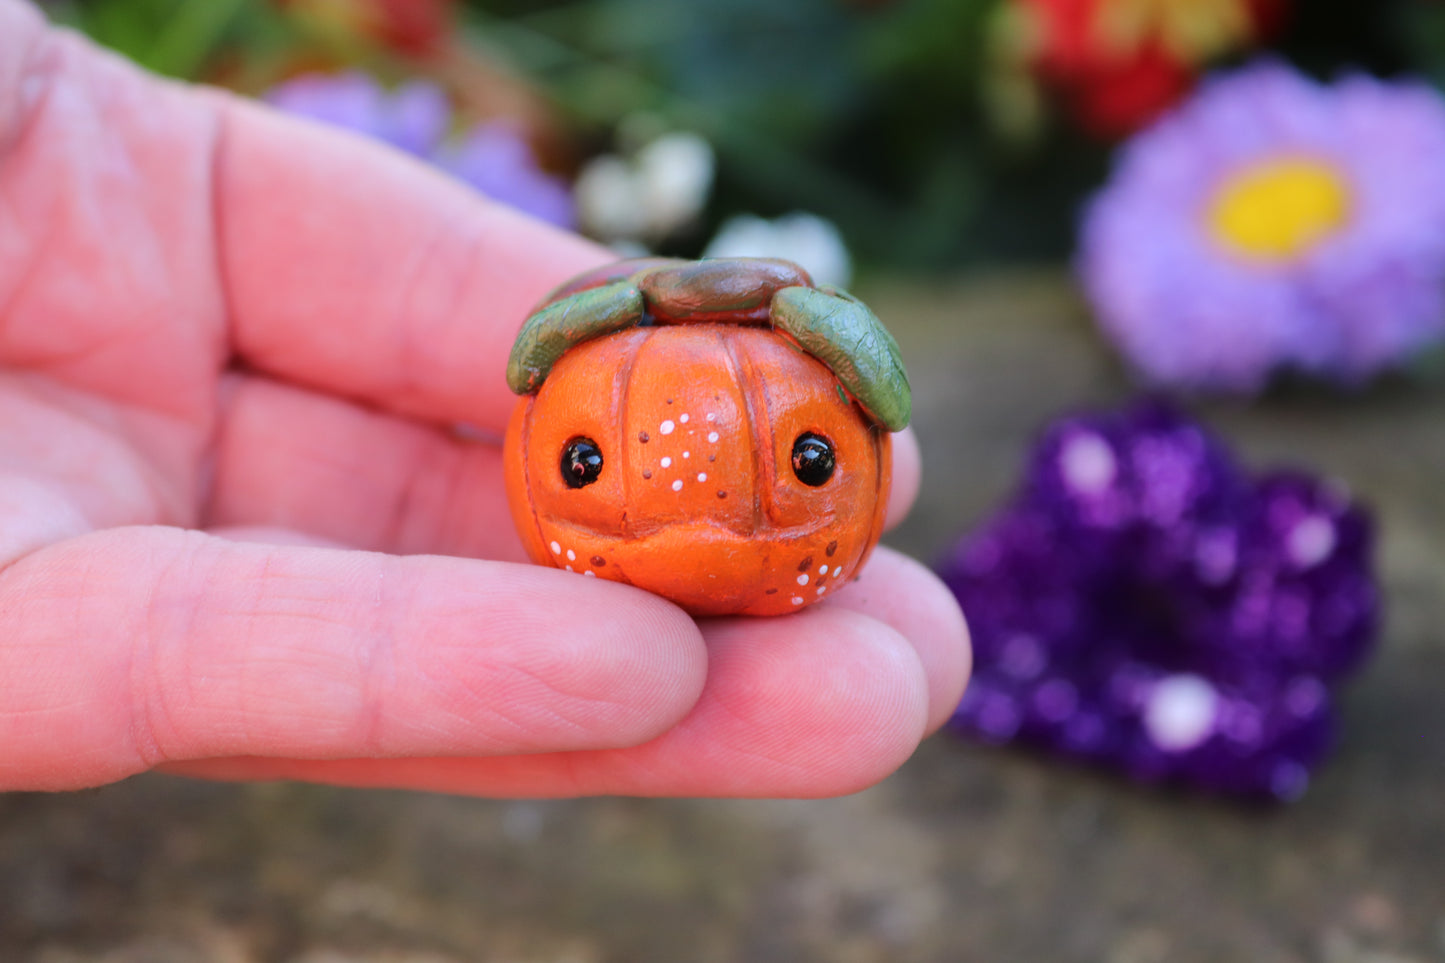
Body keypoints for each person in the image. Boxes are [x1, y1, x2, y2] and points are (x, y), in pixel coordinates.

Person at [0, 0, 969, 797]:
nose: (707, 518)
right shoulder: (603, 369)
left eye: (810, 460)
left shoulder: (756, 368)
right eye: (580, 461)